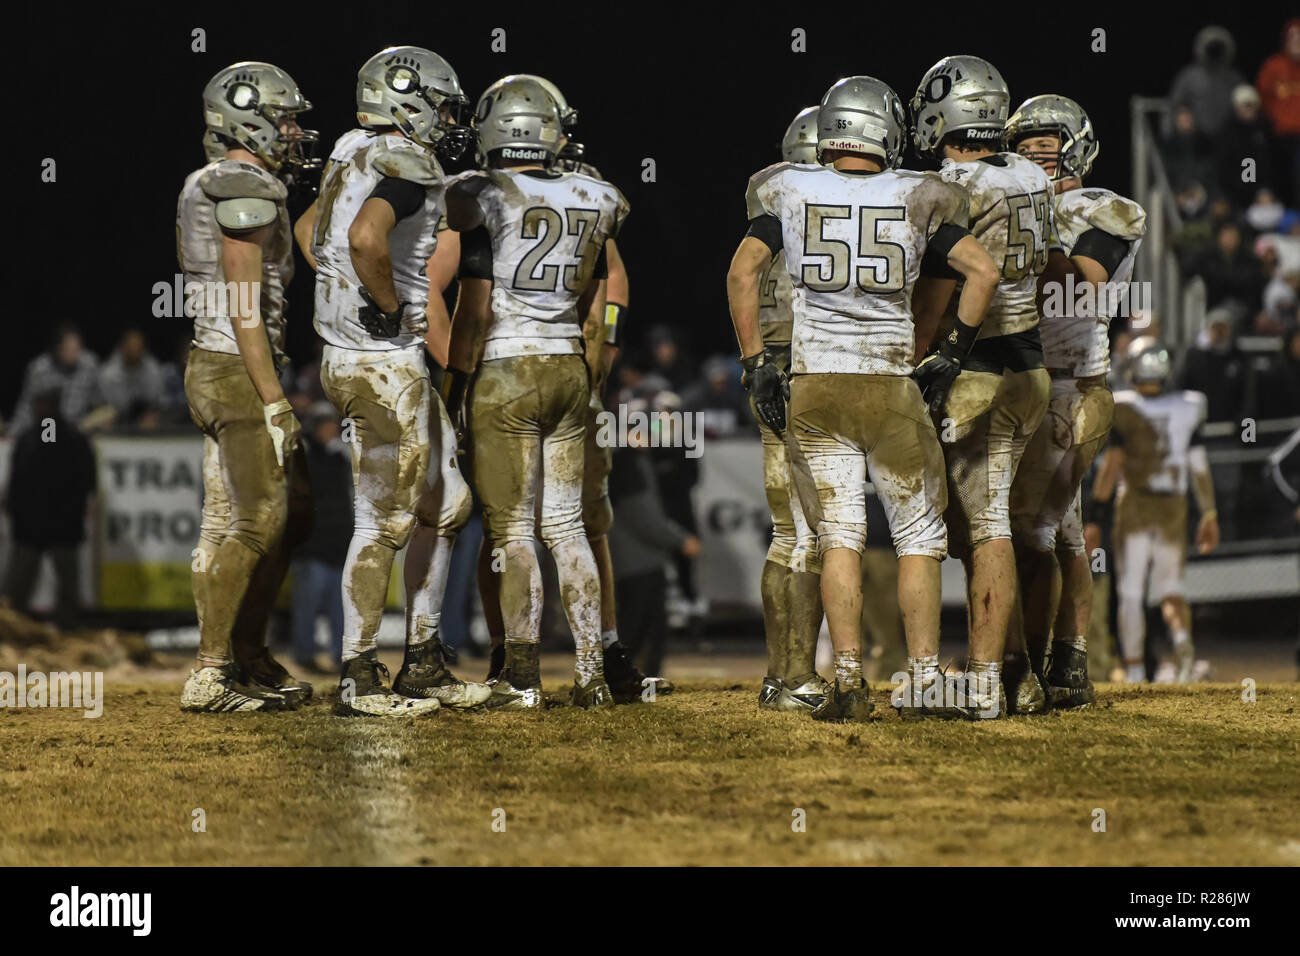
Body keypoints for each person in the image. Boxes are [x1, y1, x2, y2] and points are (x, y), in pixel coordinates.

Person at [728, 74, 1000, 722]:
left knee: (838, 537)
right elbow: (983, 272)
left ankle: (847, 679)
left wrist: (755, 364)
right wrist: (953, 352)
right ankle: (926, 677)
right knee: (917, 536)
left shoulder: (785, 185)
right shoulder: (920, 192)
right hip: (887, 381)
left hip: (815, 384)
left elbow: (742, 272)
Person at [294, 45, 485, 716]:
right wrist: (379, 304)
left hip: (363, 357)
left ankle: (424, 660)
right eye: (442, 105)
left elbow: (309, 229)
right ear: (409, 101)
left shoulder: (351, 148)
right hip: (381, 364)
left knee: (449, 502)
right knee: (384, 520)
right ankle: (357, 673)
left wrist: (340, 302)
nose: (449, 120)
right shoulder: (406, 162)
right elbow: (366, 240)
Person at [443, 75, 629, 709]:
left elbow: (473, 308)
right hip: (567, 368)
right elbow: (600, 296)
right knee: (569, 528)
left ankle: (521, 676)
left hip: (506, 368)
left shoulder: (480, 194)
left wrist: (455, 388)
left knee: (514, 532)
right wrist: (597, 354)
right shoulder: (595, 195)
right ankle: (592, 673)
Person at [910, 55, 1053, 713]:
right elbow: (1046, 265)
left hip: (978, 370)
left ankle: (987, 681)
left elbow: (941, 292)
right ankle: (1017, 671)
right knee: (997, 526)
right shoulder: (1029, 174)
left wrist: (925, 357)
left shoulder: (951, 186)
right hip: (1033, 367)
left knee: (987, 524)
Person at [176, 61, 317, 712]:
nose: (293, 130)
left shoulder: (225, 180)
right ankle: (212, 672)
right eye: (284, 117)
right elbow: (244, 304)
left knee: (273, 517)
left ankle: (245, 654)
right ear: (247, 117)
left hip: (225, 361)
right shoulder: (240, 182)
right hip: (235, 365)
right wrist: (275, 399)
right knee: (261, 517)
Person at [1004, 93, 1147, 709]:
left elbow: (1077, 279)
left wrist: (1026, 232)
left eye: (1048, 144)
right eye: (1026, 146)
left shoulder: (1106, 208)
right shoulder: (1018, 200)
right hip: (1022, 379)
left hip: (1074, 385)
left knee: (1035, 531)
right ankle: (1069, 663)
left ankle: (1030, 662)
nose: (1036, 156)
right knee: (1062, 531)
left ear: (1077, 146)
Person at [1093, 338, 1219, 683]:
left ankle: (1134, 671)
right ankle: (1183, 648)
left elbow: (1112, 466)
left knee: (1131, 593)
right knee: (1172, 590)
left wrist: (1094, 515)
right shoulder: (1189, 406)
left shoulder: (1124, 407)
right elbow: (1199, 466)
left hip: (1135, 504)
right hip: (1173, 507)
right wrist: (1209, 513)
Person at [606, 396, 702, 680]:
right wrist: (679, 540)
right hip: (636, 561)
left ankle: (638, 680)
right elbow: (642, 517)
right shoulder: (627, 463)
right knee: (637, 626)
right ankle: (623, 679)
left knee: (650, 626)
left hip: (641, 559)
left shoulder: (631, 459)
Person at [3, 390, 96, 631]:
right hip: (40, 524)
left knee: (62, 584)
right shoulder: (53, 437)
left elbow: (84, 480)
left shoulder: (52, 437)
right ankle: (15, 628)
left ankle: (63, 628)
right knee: (21, 585)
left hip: (53, 523)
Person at [289, 403, 351, 671]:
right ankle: (304, 654)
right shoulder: (303, 459)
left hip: (338, 545)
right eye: (325, 427)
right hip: (311, 546)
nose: (331, 432)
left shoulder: (340, 458)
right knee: (308, 605)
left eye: (333, 427)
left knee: (341, 608)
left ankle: (342, 656)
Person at [11, 325, 102, 434]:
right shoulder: (40, 369)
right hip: (48, 428)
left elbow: (99, 400)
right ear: (57, 349)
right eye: (69, 350)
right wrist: (13, 433)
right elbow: (26, 407)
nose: (75, 355)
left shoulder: (89, 365)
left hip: (78, 429)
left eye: (78, 349)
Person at [98, 328, 163, 426]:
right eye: (131, 346)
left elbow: (155, 404)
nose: (134, 350)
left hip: (144, 421)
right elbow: (105, 407)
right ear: (123, 347)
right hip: (116, 419)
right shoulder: (108, 374)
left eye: (138, 346)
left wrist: (151, 415)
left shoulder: (153, 370)